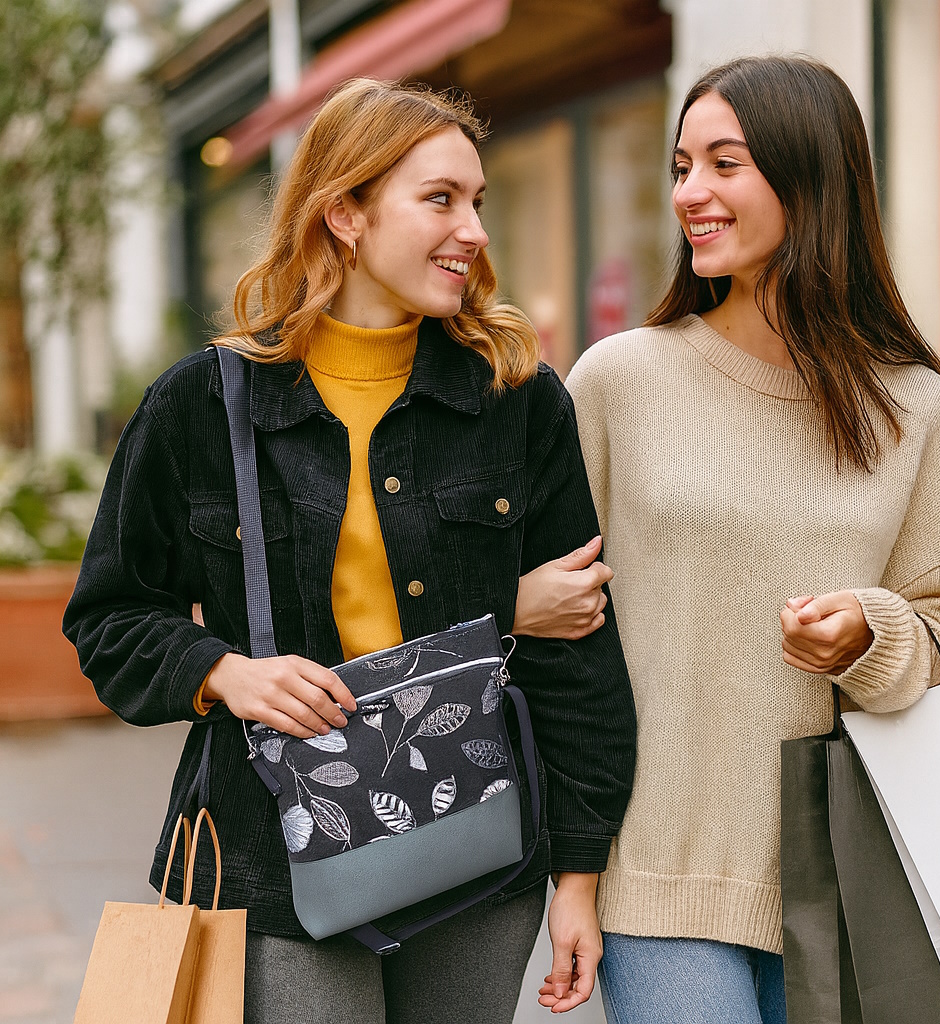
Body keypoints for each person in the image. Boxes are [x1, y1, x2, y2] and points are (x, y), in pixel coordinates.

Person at [63, 79, 636, 1024]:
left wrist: (579, 870)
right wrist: (222, 674)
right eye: (440, 199)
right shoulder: (202, 406)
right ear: (345, 214)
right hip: (276, 856)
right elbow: (109, 617)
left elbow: (580, 658)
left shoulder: (518, 402)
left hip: (476, 851)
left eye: (478, 202)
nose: (474, 231)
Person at [521, 55, 940, 1024]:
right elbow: (561, 645)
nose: (691, 193)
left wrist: (865, 632)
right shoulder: (618, 382)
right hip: (658, 871)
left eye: (723, 164)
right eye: (681, 166)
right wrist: (573, 872)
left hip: (854, 882)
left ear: (809, 178)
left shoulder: (913, 403)